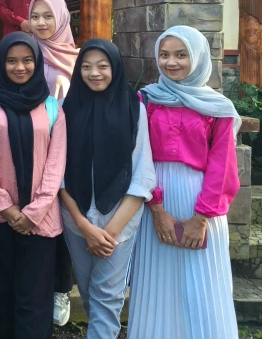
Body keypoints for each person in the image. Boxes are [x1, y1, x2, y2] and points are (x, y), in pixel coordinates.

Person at [128, 26, 241, 339]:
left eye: (181, 55)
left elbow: (223, 165)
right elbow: (138, 155)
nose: (171, 62)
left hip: (202, 204)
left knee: (205, 283)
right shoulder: (146, 100)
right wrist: (156, 209)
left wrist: (201, 218)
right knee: (157, 283)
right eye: (164, 55)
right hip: (155, 200)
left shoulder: (218, 107)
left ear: (198, 57)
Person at [0, 33, 66, 339]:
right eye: (11, 61)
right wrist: (7, 208)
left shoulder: (52, 107)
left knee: (34, 298)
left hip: (40, 219)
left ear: (37, 63)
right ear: (0, 64)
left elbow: (56, 163)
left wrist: (34, 211)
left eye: (27, 60)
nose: (20, 67)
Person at [60, 40, 156, 339]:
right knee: (89, 290)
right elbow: (57, 174)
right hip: (76, 218)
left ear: (115, 67)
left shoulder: (134, 108)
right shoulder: (67, 108)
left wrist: (109, 232)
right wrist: (84, 226)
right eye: (86, 66)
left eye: (103, 66)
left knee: (107, 295)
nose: (94, 73)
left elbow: (142, 173)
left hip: (120, 218)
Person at [28, 0, 78, 323]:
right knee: (34, 217)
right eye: (35, 16)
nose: (41, 22)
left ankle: (61, 290)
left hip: (66, 151)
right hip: (30, 149)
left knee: (62, 220)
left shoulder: (78, 59)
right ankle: (36, 287)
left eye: (48, 16)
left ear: (61, 18)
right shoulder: (26, 52)